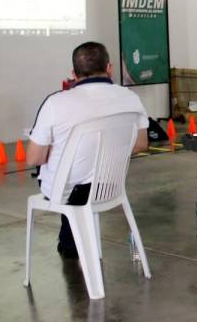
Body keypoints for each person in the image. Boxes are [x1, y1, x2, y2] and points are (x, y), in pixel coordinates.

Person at [26, 42, 150, 259]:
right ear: (109, 68)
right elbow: (141, 144)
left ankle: (71, 243)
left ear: (73, 74)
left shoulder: (55, 103)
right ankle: (71, 241)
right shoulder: (130, 98)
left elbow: (33, 158)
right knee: (81, 171)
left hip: (67, 192)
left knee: (63, 172)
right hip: (109, 187)